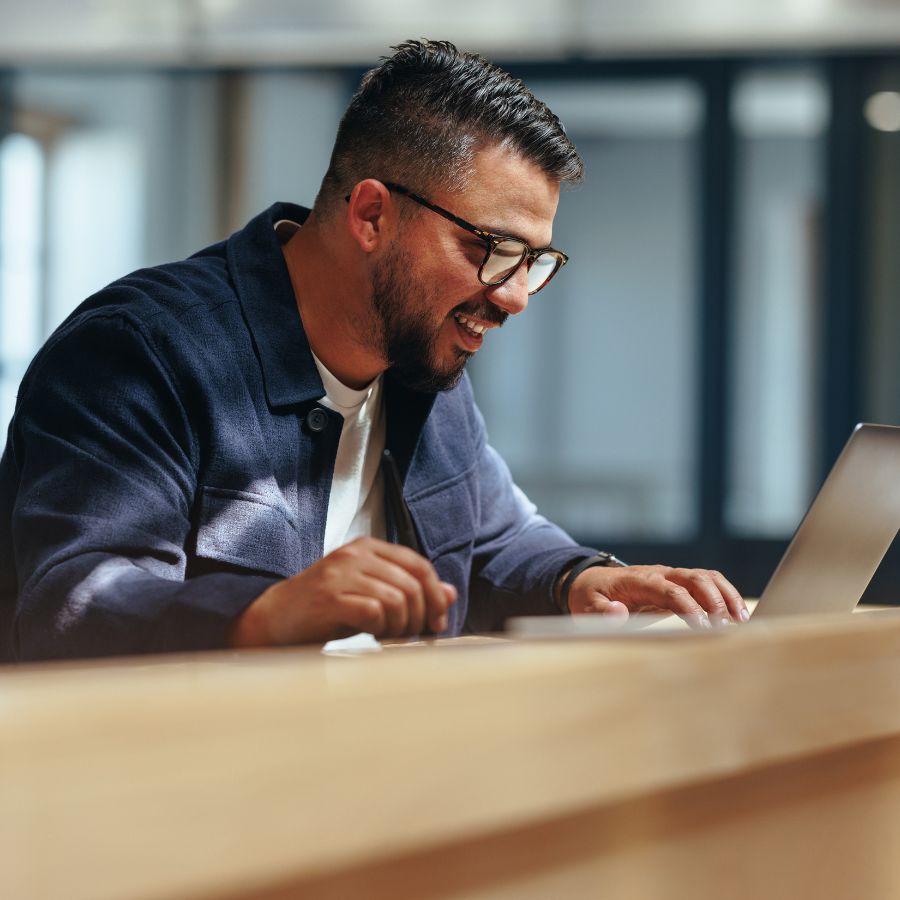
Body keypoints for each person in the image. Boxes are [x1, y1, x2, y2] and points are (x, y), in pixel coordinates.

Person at [0, 39, 747, 662]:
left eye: (536, 261)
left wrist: (581, 580)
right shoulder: (141, 354)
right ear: (371, 215)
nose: (516, 295)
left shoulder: (425, 365)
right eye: (493, 249)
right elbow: (74, 603)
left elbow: (494, 537)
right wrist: (264, 615)